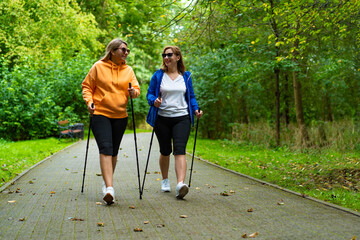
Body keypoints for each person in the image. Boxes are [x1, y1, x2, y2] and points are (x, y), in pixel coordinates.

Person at [82, 38, 140, 204]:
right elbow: (86, 86)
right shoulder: (98, 67)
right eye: (123, 50)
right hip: (100, 112)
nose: (126, 53)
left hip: (120, 115)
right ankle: (110, 188)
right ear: (112, 51)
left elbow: (136, 90)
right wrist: (89, 102)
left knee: (114, 151)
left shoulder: (128, 70)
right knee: (105, 148)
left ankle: (106, 182)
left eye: (127, 51)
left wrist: (132, 92)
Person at [146, 46, 203, 199]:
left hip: (182, 117)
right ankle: (165, 180)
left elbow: (191, 96)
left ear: (178, 57)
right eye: (164, 55)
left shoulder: (186, 76)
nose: (166, 57)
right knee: (165, 150)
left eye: (169, 55)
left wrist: (196, 109)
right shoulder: (158, 76)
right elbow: (149, 94)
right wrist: (154, 102)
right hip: (162, 118)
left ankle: (180, 184)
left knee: (180, 149)